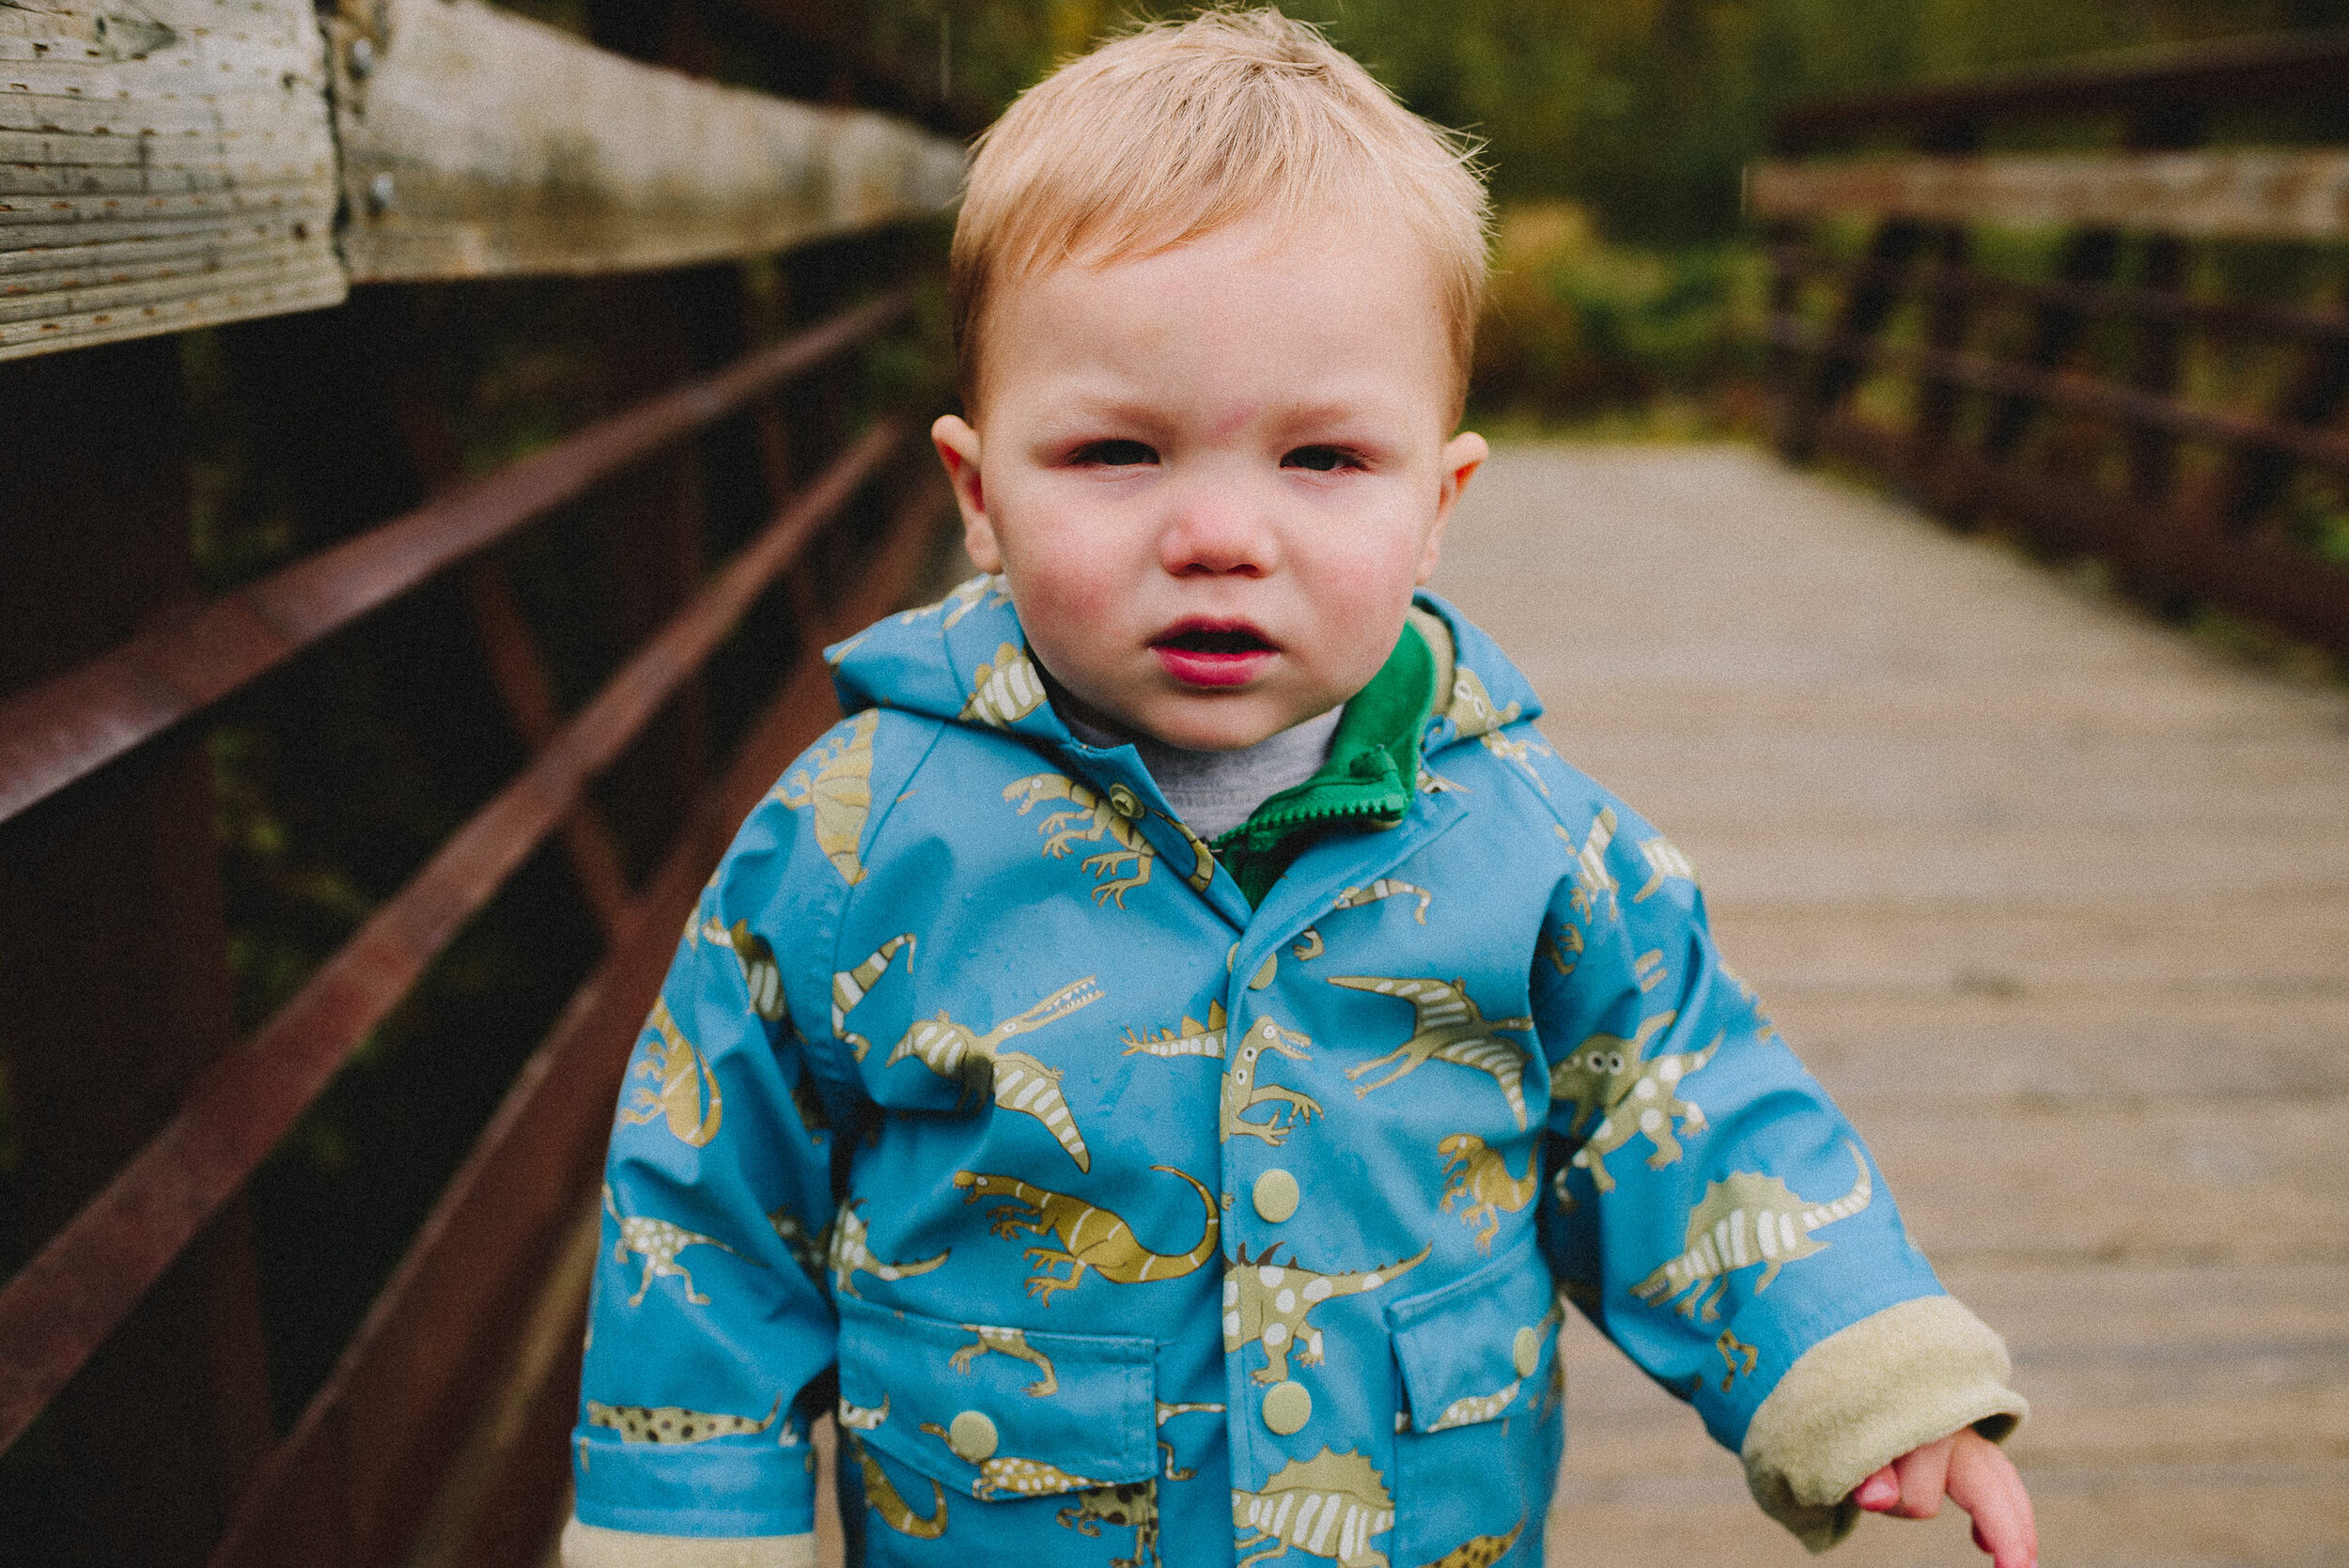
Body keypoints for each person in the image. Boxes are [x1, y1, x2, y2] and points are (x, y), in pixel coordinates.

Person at [562, 10, 2037, 1567]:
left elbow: (1687, 1106)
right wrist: (694, 1523)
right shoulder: (856, 839)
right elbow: (708, 1208)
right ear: (978, 495)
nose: (1218, 532)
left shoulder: (1534, 844)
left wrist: (1859, 1360)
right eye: (1118, 452)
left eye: (1322, 460)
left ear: (1437, 507)